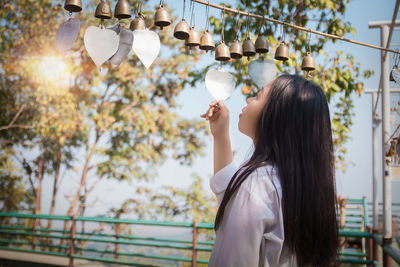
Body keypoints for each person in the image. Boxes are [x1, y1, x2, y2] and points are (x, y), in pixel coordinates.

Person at [200, 74, 338, 267]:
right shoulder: (300, 184)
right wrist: (220, 134)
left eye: (257, 96)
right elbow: (232, 199)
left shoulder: (257, 184)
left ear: (278, 115)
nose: (248, 99)